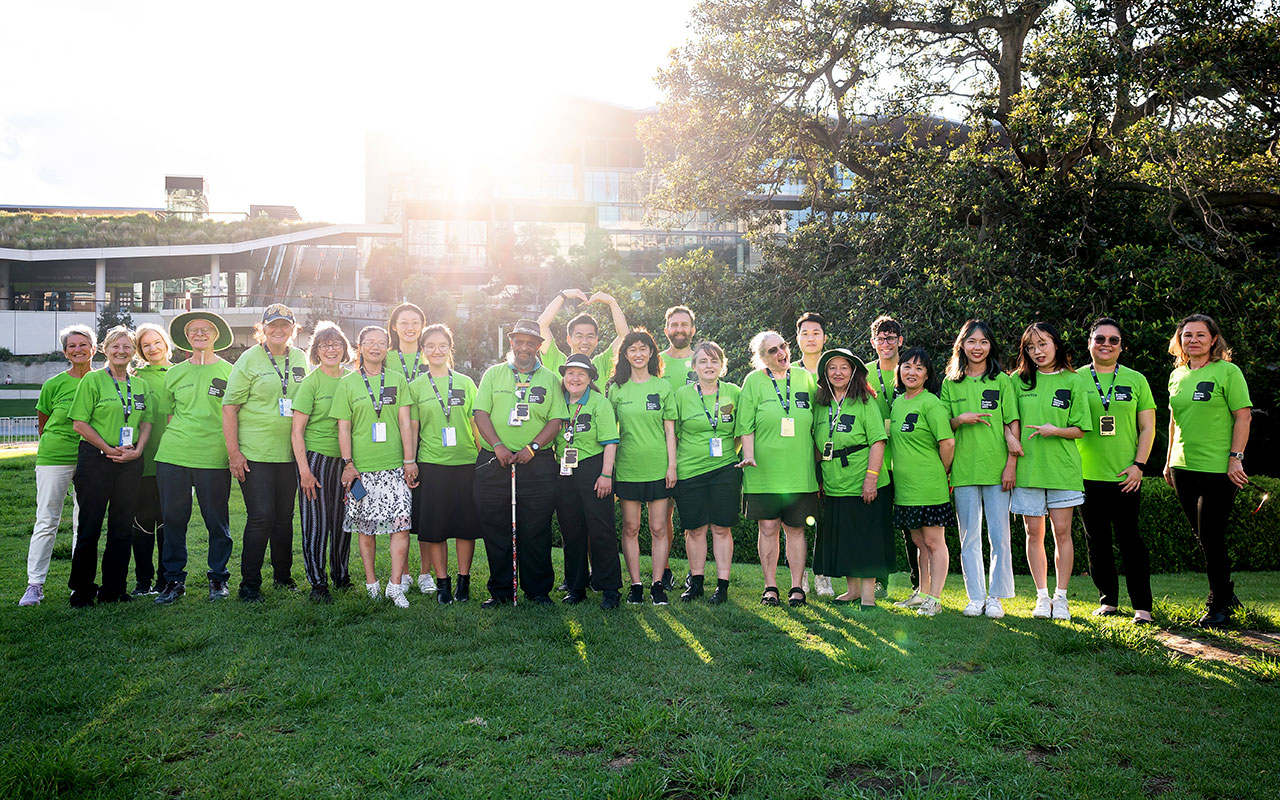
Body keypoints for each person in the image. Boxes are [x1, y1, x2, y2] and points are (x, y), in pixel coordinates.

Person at [472, 319, 569, 606]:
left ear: (539, 346)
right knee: (496, 527)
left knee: (536, 527)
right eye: (519, 341)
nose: (524, 347)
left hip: (536, 463)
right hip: (495, 461)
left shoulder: (550, 378)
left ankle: (538, 591)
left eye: (531, 342)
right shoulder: (493, 374)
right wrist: (498, 446)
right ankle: (500, 590)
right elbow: (480, 413)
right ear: (511, 342)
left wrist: (533, 446)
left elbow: (556, 419)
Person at [1164, 314, 1252, 628]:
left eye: (1201, 335)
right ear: (1180, 341)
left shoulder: (1228, 372)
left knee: (1212, 536)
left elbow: (1243, 417)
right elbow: (1174, 420)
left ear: (1213, 339)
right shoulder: (1177, 376)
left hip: (1219, 469)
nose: (1194, 340)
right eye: (1187, 335)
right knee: (1204, 537)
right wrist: (1167, 459)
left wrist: (1235, 458)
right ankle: (1227, 594)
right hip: (1182, 468)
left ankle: (1218, 606)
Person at [223, 304, 308, 601]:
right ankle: (249, 585)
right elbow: (229, 408)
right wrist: (234, 453)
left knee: (285, 517)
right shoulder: (249, 359)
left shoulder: (300, 358)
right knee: (261, 517)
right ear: (263, 328)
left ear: (293, 329)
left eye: (285, 325)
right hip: (255, 455)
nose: (279, 329)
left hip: (290, 456)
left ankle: (283, 577)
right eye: (273, 325)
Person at [1077, 318, 1157, 624]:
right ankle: (1108, 601)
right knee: (1096, 541)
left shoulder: (1136, 380)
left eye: (1113, 340)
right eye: (1100, 339)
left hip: (1127, 477)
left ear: (1121, 346)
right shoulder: (1075, 378)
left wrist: (1139, 466)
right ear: (1090, 344)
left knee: (1130, 542)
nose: (1106, 344)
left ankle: (1142, 608)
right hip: (1085, 477)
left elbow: (1148, 427)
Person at [153, 311, 236, 605]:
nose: (199, 334)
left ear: (215, 336)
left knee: (217, 521)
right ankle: (173, 581)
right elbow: (172, 413)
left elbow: (235, 415)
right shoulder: (174, 373)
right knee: (174, 520)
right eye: (193, 330)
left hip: (213, 456)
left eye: (205, 329)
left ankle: (218, 578)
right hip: (174, 455)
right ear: (186, 337)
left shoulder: (231, 372)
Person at [66, 326, 153, 606]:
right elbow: (80, 423)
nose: (121, 351)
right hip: (96, 461)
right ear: (105, 349)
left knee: (122, 526)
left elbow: (146, 421)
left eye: (127, 347)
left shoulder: (139, 385)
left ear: (133, 352)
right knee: (90, 526)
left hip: (129, 463)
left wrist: (137, 451)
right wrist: (108, 449)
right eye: (115, 346)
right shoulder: (92, 381)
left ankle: (113, 588)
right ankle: (82, 590)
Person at [1011, 322, 1090, 620]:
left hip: (1062, 470)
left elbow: (1081, 429)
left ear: (1056, 343)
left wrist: (1054, 430)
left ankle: (1062, 597)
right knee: (1034, 534)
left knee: (1062, 533)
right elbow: (1008, 420)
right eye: (1030, 347)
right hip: (1028, 471)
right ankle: (1042, 597)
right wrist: (1010, 438)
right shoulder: (1017, 381)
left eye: (1042, 344)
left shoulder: (1073, 380)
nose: (1037, 352)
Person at [333, 326, 417, 607]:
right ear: (360, 347)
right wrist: (348, 464)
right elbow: (343, 428)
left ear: (387, 348)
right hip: (362, 470)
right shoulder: (347, 383)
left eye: (381, 343)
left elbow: (405, 422)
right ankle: (371, 583)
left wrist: (409, 460)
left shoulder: (397, 379)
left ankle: (395, 586)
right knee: (366, 529)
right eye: (369, 342)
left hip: (395, 467)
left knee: (400, 526)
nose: (375, 347)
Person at [940, 320, 1018, 619]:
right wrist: (960, 419)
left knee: (999, 537)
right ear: (962, 345)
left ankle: (996, 598)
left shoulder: (1003, 381)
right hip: (964, 470)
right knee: (969, 537)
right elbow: (943, 427)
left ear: (990, 346)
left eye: (983, 342)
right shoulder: (951, 383)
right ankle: (975, 597)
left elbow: (1013, 424)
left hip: (998, 469)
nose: (977, 347)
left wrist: (1011, 464)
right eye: (971, 341)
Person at [737, 330, 819, 607]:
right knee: (768, 526)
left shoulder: (805, 378)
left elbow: (819, 419)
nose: (781, 353)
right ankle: (770, 586)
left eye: (782, 346)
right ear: (761, 359)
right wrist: (748, 456)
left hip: (800, 471)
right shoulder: (754, 382)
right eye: (772, 351)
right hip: (764, 470)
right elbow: (745, 424)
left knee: (796, 528)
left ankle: (797, 586)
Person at [18, 325, 93, 607]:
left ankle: (80, 584)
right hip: (55, 457)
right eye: (72, 345)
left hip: (89, 458)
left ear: (93, 349)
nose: (78, 349)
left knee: (82, 523)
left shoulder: (100, 381)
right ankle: (34, 584)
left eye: (83, 344)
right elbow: (43, 423)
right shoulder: (54, 384)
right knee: (47, 520)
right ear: (65, 352)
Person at [812, 348, 891, 610]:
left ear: (854, 371)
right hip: (834, 483)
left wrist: (871, 478)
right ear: (825, 373)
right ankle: (853, 590)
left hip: (861, 481)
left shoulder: (865, 401)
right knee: (844, 538)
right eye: (832, 367)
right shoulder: (821, 404)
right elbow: (818, 443)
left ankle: (868, 595)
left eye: (843, 367)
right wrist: (820, 479)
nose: (837, 372)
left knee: (864, 538)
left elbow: (878, 441)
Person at [408, 323, 480, 604]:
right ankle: (443, 583)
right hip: (432, 464)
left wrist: (483, 455)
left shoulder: (465, 382)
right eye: (430, 346)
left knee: (464, 526)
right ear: (423, 352)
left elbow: (475, 424)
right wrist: (410, 462)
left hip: (466, 463)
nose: (436, 351)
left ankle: (464, 582)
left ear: (450, 348)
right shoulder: (415, 386)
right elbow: (413, 428)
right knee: (435, 527)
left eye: (442, 346)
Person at [609, 329, 678, 605]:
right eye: (632, 349)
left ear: (652, 353)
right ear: (625, 354)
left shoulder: (663, 388)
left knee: (659, 527)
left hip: (658, 467)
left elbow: (670, 432)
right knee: (631, 527)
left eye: (643, 349)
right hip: (627, 468)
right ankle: (636, 585)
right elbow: (609, 432)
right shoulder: (616, 388)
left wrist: (671, 466)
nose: (638, 354)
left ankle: (658, 584)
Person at [887, 348, 955, 617]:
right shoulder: (898, 402)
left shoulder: (931, 404)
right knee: (917, 540)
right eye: (907, 366)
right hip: (905, 487)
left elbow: (947, 443)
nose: (911, 372)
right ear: (899, 370)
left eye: (918, 368)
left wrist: (942, 470)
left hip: (930, 484)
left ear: (927, 375)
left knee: (933, 540)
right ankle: (922, 593)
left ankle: (935, 599)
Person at [672, 341, 741, 604]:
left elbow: (741, 430)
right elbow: (673, 434)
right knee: (695, 529)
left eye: (714, 361)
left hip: (725, 469)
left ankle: (722, 587)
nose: (709, 366)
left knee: (721, 528)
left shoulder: (734, 392)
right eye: (703, 361)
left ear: (722, 366)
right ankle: (696, 583)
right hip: (689, 470)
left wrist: (728, 454)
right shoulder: (681, 395)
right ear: (694, 366)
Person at [291, 321, 354, 603]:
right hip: (316, 461)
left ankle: (342, 577)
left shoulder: (352, 379)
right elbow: (296, 431)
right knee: (316, 523)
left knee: (343, 521)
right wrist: (304, 471)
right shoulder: (311, 382)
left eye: (336, 344)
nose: (331, 349)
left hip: (347, 462)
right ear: (316, 351)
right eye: (324, 345)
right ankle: (318, 584)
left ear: (345, 349)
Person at [554, 353, 623, 608]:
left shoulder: (598, 402)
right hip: (564, 470)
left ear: (590, 378)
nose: (574, 378)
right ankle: (576, 587)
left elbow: (610, 442)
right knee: (571, 531)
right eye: (570, 373)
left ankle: (610, 589)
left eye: (580, 374)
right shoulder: (558, 401)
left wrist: (606, 475)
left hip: (594, 469)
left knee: (601, 530)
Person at [386, 301, 437, 595]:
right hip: (395, 442)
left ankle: (426, 573)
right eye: (403, 322)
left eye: (415, 322)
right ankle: (402, 572)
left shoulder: (432, 352)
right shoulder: (387, 357)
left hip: (428, 442)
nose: (409, 327)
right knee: (401, 511)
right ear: (394, 327)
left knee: (427, 511)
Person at [129, 322, 173, 596]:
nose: (152, 348)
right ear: (140, 350)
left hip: (172, 461)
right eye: (146, 345)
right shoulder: (135, 377)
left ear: (166, 343)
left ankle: (166, 579)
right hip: (142, 461)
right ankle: (143, 581)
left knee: (168, 524)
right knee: (142, 523)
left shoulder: (180, 372)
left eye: (156, 342)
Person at [866, 315, 909, 598]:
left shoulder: (912, 368)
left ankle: (919, 582)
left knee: (910, 522)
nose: (885, 343)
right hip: (878, 460)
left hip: (908, 458)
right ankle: (879, 578)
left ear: (900, 341)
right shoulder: (864, 371)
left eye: (891, 338)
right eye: (880, 339)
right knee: (878, 521)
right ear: (873, 342)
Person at [656, 305, 697, 591]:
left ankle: (696, 573)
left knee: (694, 516)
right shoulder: (654, 362)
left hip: (695, 451)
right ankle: (665, 569)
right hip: (661, 449)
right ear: (666, 329)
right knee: (663, 515)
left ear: (693, 330)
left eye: (685, 325)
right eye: (674, 325)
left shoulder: (704, 359)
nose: (679, 329)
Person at [795, 311, 829, 597]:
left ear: (824, 337)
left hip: (829, 452)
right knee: (796, 520)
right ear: (797, 339)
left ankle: (823, 576)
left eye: (816, 332)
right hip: (798, 452)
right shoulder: (789, 371)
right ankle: (800, 576)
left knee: (825, 518)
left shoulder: (835, 367)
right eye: (805, 333)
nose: (811, 338)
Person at [536, 288, 629, 380]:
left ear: (596, 341)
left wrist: (612, 302)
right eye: (579, 336)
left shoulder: (601, 364)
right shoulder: (557, 361)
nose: (584, 341)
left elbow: (625, 337)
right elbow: (541, 326)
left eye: (590, 336)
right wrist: (563, 295)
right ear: (569, 340)